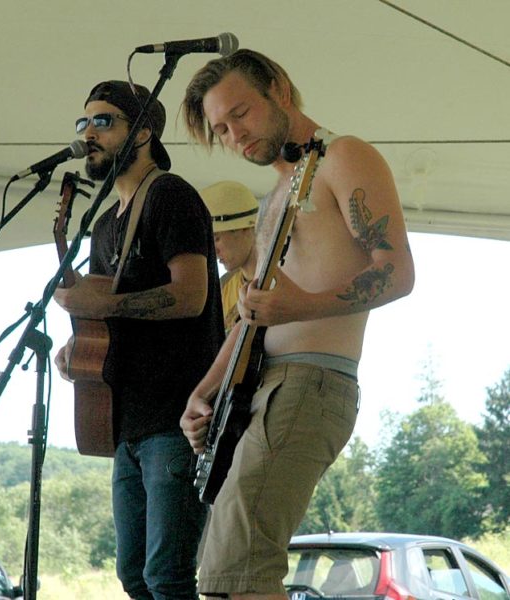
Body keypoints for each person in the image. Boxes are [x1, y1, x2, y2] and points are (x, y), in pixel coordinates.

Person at [179, 49, 415, 599]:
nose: (234, 135)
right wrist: (203, 391)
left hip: (311, 381)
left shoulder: (344, 157)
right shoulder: (273, 200)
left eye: (240, 113)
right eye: (220, 129)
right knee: (222, 575)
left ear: (279, 90)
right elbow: (252, 314)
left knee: (241, 570)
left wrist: (299, 307)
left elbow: (397, 273)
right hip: (261, 388)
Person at [53, 80, 224, 600]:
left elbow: (191, 295)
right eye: (83, 123)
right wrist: (77, 350)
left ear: (145, 131)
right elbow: (102, 311)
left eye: (103, 121)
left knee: (166, 578)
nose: (88, 134)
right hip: (124, 422)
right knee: (134, 578)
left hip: (175, 419)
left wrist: (108, 305)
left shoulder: (170, 196)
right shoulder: (105, 225)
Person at [200, 180, 259, 335]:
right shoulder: (223, 287)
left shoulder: (285, 279)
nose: (212, 251)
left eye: (216, 238)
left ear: (246, 229)